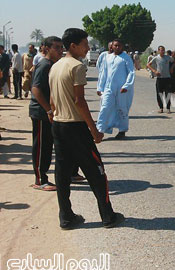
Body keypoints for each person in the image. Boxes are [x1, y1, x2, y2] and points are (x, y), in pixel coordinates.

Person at [49, 28, 124, 229]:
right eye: (85, 44)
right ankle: (108, 216)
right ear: (73, 46)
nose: (88, 47)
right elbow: (79, 101)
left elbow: (52, 101)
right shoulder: (77, 67)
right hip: (76, 127)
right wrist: (94, 129)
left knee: (62, 174)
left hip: (59, 125)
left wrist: (55, 118)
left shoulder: (55, 66)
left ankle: (66, 217)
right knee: (97, 172)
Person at [29, 36, 64, 191]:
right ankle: (40, 179)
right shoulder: (44, 65)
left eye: (61, 47)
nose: (60, 50)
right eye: (56, 47)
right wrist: (48, 110)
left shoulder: (53, 65)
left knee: (50, 145)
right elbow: (35, 89)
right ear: (47, 48)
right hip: (41, 112)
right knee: (41, 147)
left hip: (50, 113)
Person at [96, 39, 135, 139]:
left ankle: (122, 130)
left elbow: (131, 72)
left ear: (122, 47)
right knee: (105, 107)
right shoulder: (107, 57)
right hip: (108, 88)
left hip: (121, 89)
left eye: (119, 46)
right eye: (115, 46)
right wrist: (100, 87)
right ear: (111, 47)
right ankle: (99, 130)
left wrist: (126, 86)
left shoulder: (126, 58)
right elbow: (103, 73)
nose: (117, 47)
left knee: (122, 109)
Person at [147, 46, 173, 113]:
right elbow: (148, 65)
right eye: (161, 50)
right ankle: (161, 108)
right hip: (159, 79)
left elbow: (174, 62)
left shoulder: (168, 57)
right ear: (158, 51)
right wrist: (154, 71)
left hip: (167, 78)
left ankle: (168, 108)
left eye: (163, 50)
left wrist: (171, 68)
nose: (163, 51)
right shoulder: (156, 58)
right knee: (159, 94)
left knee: (168, 94)